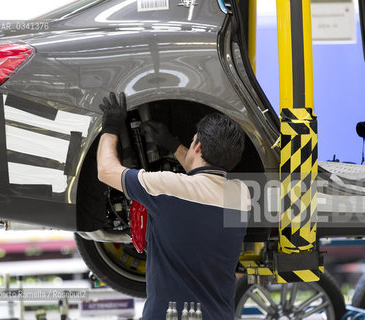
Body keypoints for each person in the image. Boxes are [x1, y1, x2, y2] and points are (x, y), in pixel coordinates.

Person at [97, 92, 251, 320]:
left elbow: (106, 171)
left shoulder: (166, 187)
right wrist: (172, 144)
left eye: (192, 143)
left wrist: (110, 127)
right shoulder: (242, 196)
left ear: (198, 148)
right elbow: (202, 180)